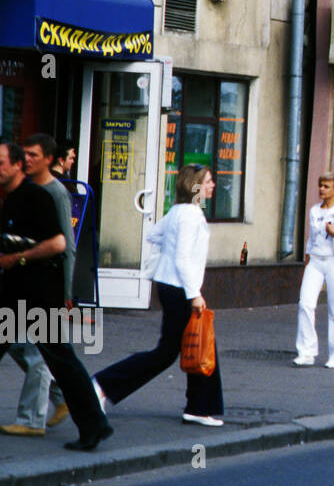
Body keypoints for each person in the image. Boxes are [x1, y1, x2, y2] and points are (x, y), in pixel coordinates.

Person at [0, 140, 111, 450]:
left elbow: (61, 244)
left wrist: (18, 259)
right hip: (14, 293)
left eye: (1, 163)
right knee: (60, 361)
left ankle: (95, 425)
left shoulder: (43, 196)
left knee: (62, 361)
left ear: (17, 165)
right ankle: (95, 424)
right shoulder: (12, 199)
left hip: (39, 294)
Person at [94, 162, 223, 429]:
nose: (212, 186)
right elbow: (183, 258)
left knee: (195, 344)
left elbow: (154, 234)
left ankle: (198, 406)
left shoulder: (178, 211)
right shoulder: (190, 215)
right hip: (180, 288)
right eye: (208, 181)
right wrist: (194, 294)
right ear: (196, 185)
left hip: (170, 285)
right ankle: (101, 384)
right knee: (180, 349)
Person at [2, 134, 73, 437]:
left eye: (33, 155)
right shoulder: (22, 192)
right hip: (21, 283)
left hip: (45, 286)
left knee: (40, 351)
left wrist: (66, 292)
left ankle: (32, 418)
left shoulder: (54, 193)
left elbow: (64, 244)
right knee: (20, 345)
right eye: (25, 154)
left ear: (48, 159)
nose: (28, 160)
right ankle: (61, 395)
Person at [295, 172, 334, 368]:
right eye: (321, 185)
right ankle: (306, 352)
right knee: (305, 304)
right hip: (315, 261)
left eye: (326, 186)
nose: (322, 189)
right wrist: (307, 255)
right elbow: (312, 237)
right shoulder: (315, 210)